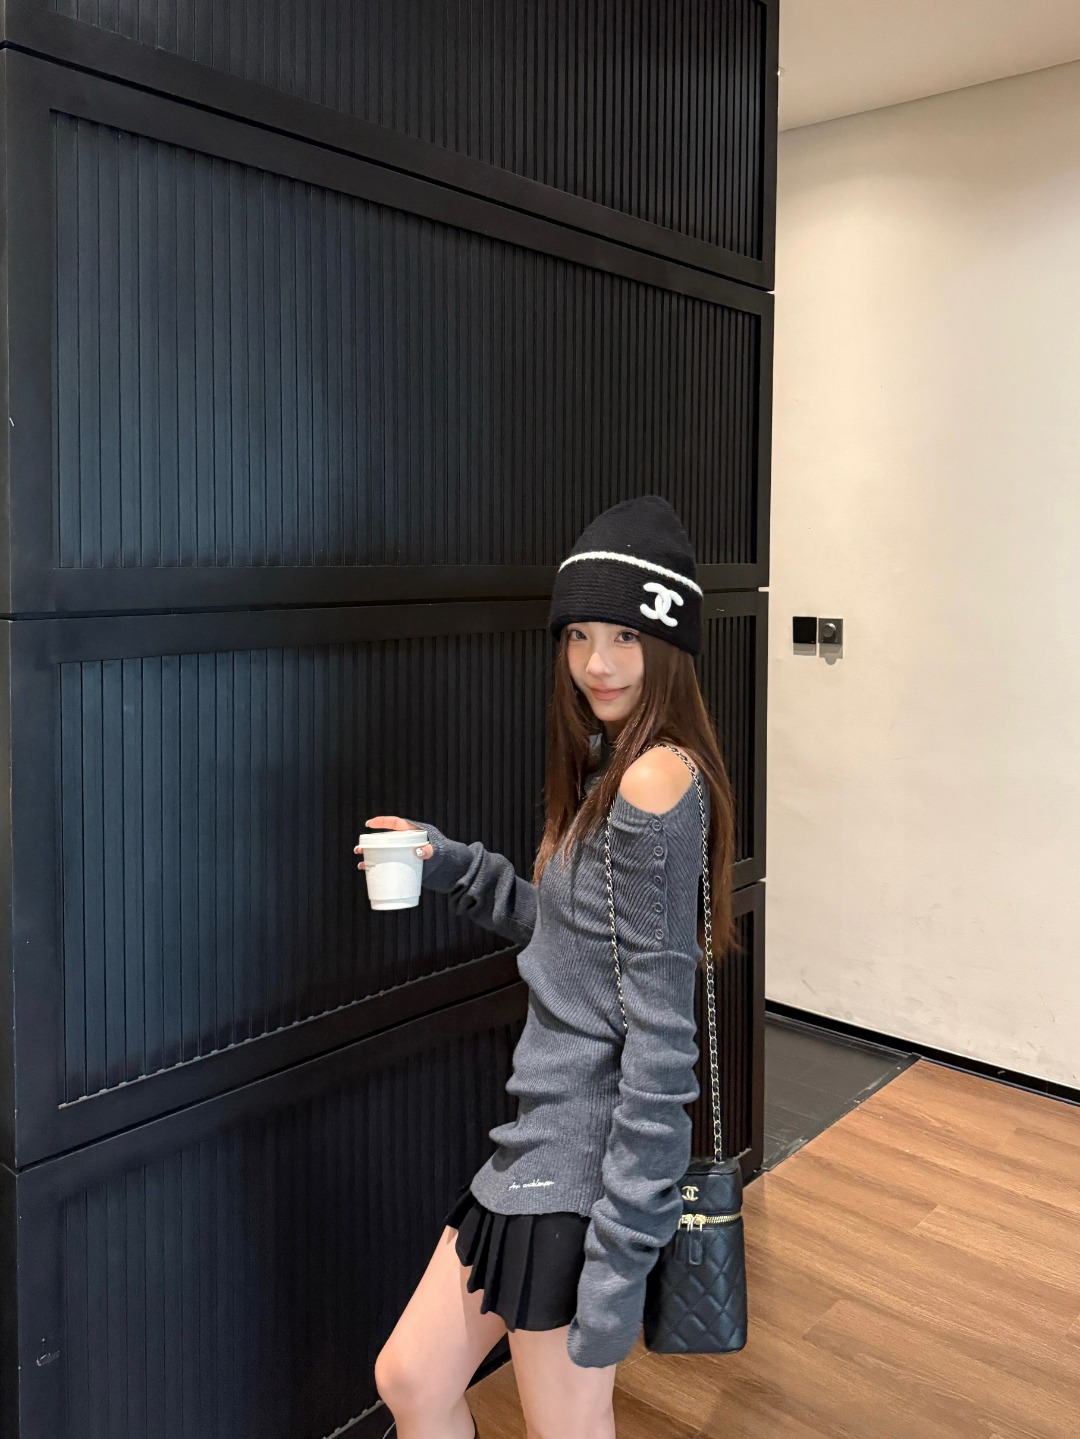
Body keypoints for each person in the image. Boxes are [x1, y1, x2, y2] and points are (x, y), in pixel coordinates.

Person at [360, 496, 739, 1439]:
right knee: (411, 1377)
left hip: (580, 1175)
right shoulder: (613, 765)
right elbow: (568, 936)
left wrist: (618, 1262)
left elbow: (662, 1049)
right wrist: (451, 863)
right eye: (579, 635)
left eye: (625, 635)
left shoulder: (654, 781)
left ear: (670, 645)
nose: (597, 662)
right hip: (534, 1147)